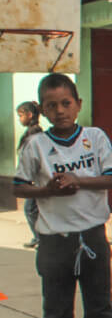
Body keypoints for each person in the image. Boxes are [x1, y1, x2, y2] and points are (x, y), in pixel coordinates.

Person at [13, 74, 112, 318]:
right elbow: (19, 186)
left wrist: (77, 181)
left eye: (66, 103)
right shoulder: (36, 145)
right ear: (42, 110)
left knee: (100, 304)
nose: (60, 110)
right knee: (57, 306)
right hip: (54, 239)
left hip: (91, 236)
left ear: (79, 104)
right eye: (52, 105)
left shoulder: (95, 137)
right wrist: (45, 190)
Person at [16, 101, 43, 248]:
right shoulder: (32, 131)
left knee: (30, 209)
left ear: (29, 115)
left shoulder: (34, 132)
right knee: (33, 209)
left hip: (36, 180)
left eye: (21, 115)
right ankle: (39, 237)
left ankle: (40, 237)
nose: (19, 119)